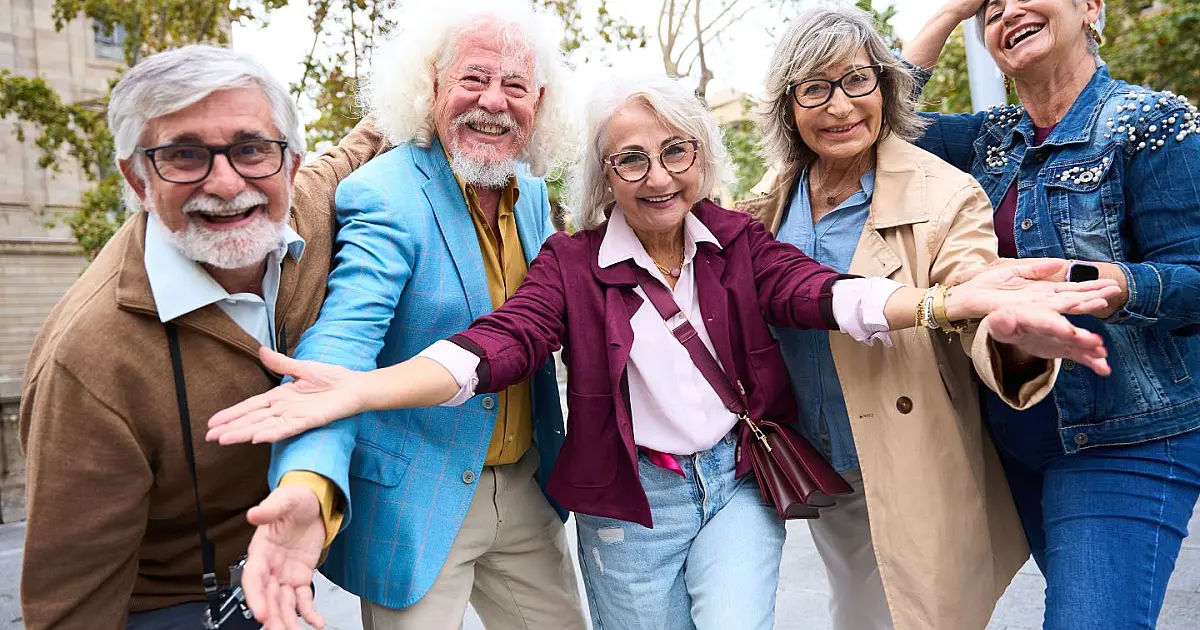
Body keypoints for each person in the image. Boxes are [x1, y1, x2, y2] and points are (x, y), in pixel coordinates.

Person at [208, 72, 1119, 630]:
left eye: (675, 151)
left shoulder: (735, 238)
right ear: (603, 177)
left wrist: (949, 300)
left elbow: (827, 294)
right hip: (630, 508)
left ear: (701, 156)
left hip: (736, 485)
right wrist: (361, 391)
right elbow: (497, 346)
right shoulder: (572, 264)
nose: (658, 177)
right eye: (631, 159)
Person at [224, 2, 586, 629]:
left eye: (514, 85)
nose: (493, 101)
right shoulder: (384, 193)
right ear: (432, 83)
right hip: (419, 502)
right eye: (474, 78)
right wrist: (307, 484)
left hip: (528, 490)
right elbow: (342, 340)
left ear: (539, 100)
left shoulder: (530, 192)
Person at [733, 7, 1094, 629]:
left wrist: (1013, 337)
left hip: (907, 459)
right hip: (818, 459)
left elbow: (973, 293)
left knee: (917, 615)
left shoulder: (946, 194)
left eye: (857, 80)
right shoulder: (772, 196)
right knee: (858, 611)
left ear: (885, 84)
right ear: (788, 107)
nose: (840, 106)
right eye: (814, 88)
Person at [17, 45, 386, 630]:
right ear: (137, 179)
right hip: (173, 610)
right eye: (184, 155)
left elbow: (357, 147)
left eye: (250, 148)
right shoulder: (86, 361)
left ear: (291, 164)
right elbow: (72, 604)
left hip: (284, 583)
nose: (227, 182)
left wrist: (445, 81)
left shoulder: (306, 207)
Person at [901, 1, 1200, 628]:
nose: (1008, 11)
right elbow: (883, 120)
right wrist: (950, 12)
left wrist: (1111, 284)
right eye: (991, 9)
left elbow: (1193, 275)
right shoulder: (990, 140)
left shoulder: (1153, 124)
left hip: (1125, 438)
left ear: (1090, 7)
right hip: (1015, 438)